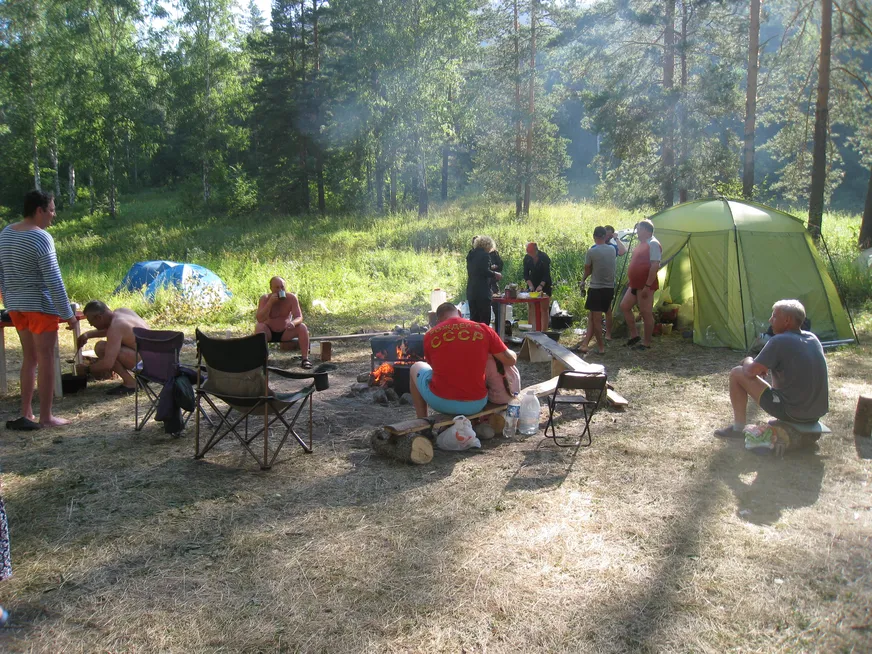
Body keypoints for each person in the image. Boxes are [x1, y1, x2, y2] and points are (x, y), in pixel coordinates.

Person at [0, 190, 77, 430]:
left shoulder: (5, 233)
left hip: (16, 306)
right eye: (52, 210)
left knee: (29, 358)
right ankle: (46, 416)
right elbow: (54, 279)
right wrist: (68, 314)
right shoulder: (41, 237)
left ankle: (26, 412)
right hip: (40, 306)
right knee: (46, 359)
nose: (54, 215)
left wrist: (7, 298)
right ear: (39, 210)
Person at [714, 300, 829, 438]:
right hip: (816, 413)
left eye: (774, 316)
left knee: (737, 373)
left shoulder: (779, 340)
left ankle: (738, 429)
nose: (770, 320)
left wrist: (748, 360)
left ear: (787, 320)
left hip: (792, 412)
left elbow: (749, 371)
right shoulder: (813, 338)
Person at [410, 302, 518, 419]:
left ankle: (422, 420)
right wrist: (511, 352)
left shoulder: (430, 335)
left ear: (438, 321)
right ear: (459, 313)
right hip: (476, 403)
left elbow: (433, 367)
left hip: (441, 402)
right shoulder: (483, 329)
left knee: (415, 367)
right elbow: (510, 360)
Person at [78, 300, 149, 395]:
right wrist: (87, 335)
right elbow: (113, 331)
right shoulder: (122, 312)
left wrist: (86, 369)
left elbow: (107, 364)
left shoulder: (116, 327)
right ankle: (137, 379)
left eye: (91, 322)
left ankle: (130, 384)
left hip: (147, 367)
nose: (91, 325)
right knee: (102, 346)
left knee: (102, 348)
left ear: (99, 317)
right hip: (155, 360)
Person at [619, 219, 661, 350]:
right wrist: (630, 279)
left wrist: (648, 286)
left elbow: (655, 266)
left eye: (639, 229)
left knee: (645, 312)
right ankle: (634, 335)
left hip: (645, 285)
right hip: (634, 284)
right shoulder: (641, 244)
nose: (637, 232)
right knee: (625, 306)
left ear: (647, 231)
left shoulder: (653, 244)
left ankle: (646, 343)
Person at [255, 276, 312, 368]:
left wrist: (293, 323)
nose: (280, 290)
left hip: (285, 331)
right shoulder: (265, 299)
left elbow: (299, 317)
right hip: (269, 332)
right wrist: (270, 303)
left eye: (282, 287)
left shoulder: (291, 298)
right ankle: (261, 360)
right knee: (259, 327)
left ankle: (305, 359)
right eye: (277, 287)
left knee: (302, 327)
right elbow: (260, 319)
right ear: (271, 288)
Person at [578, 226, 617, 355]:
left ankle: (601, 348)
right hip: (609, 289)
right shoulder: (612, 249)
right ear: (605, 236)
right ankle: (585, 344)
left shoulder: (591, 252)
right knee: (595, 317)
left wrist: (583, 280)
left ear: (594, 237)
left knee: (596, 321)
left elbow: (587, 270)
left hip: (596, 289)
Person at [466, 235, 501, 325]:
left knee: (474, 319)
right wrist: (495, 274)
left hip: (471, 291)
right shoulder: (485, 255)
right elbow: (484, 271)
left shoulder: (470, 254)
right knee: (484, 320)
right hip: (482, 292)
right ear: (488, 245)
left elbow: (476, 270)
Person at [603, 225, 627, 340]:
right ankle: (595, 331)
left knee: (607, 309)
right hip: (597, 281)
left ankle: (608, 333)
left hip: (608, 282)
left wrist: (616, 238)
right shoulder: (596, 246)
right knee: (594, 310)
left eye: (609, 234)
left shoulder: (613, 247)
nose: (607, 236)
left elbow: (623, 251)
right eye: (605, 233)